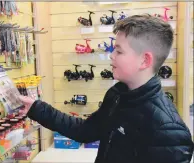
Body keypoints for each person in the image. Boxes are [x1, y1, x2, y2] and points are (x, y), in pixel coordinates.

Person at [19, 14, 194, 163]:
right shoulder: (117, 95)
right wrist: (36, 108)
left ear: (145, 61)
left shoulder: (170, 132)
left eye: (119, 51)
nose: (111, 56)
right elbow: (85, 131)